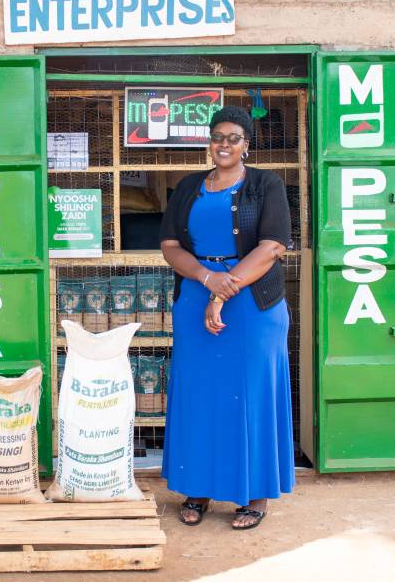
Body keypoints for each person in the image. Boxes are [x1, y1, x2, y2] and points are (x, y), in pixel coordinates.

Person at [159, 105, 295, 530]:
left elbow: (273, 246)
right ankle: (197, 489)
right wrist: (205, 277)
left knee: (250, 394)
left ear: (246, 145)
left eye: (233, 137)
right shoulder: (187, 187)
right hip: (196, 296)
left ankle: (254, 496)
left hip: (253, 304)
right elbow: (170, 246)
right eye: (218, 136)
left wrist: (223, 289)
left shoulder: (266, 185)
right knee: (200, 394)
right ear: (209, 142)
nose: (224, 144)